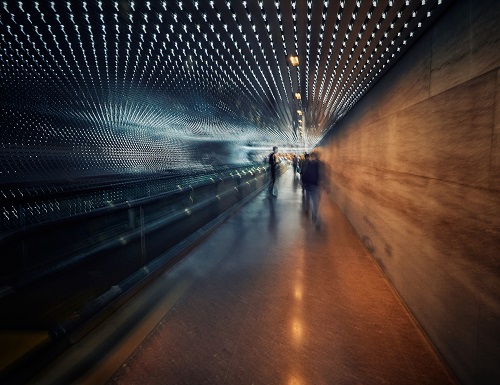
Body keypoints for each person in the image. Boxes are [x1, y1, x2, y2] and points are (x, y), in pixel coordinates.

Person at [300, 150, 322, 226]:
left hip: (309, 184)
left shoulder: (307, 163)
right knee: (315, 201)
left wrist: (303, 183)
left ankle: (307, 209)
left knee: (308, 197)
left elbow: (303, 172)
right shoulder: (317, 164)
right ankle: (314, 215)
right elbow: (320, 174)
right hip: (314, 185)